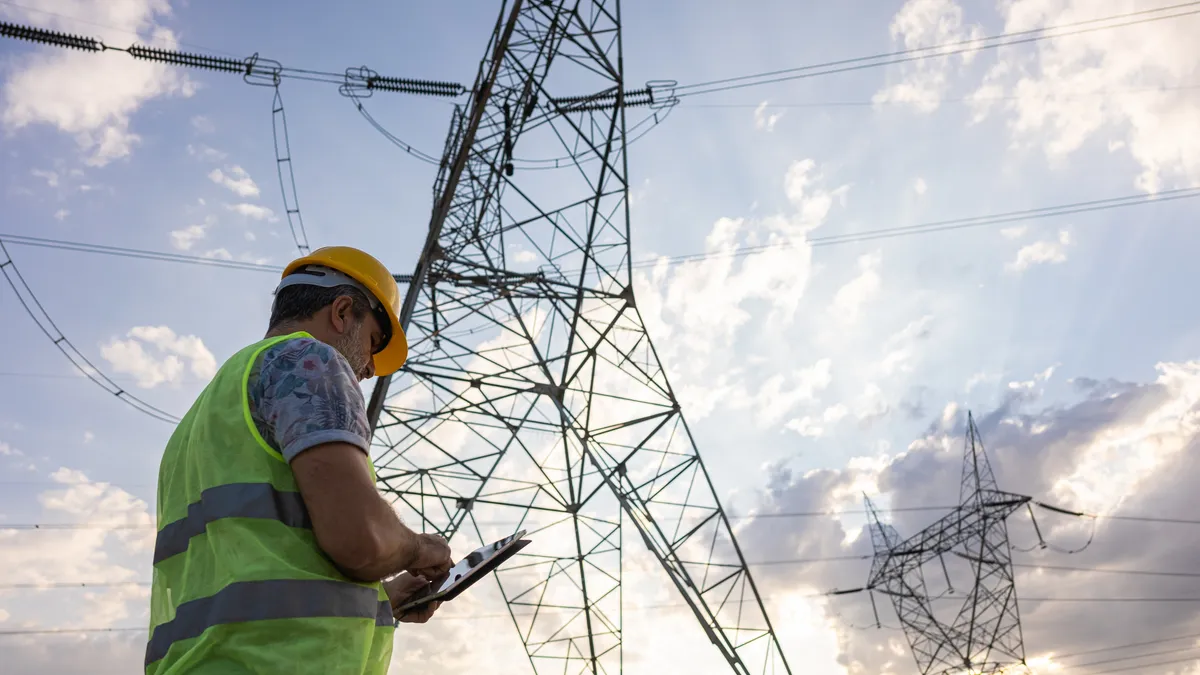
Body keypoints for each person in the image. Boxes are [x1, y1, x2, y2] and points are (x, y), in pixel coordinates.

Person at [146, 246, 454, 674]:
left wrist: (382, 601)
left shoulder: (204, 415)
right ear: (343, 312)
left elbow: (257, 565)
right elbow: (357, 538)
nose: (368, 369)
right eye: (373, 342)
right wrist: (420, 548)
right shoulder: (309, 363)